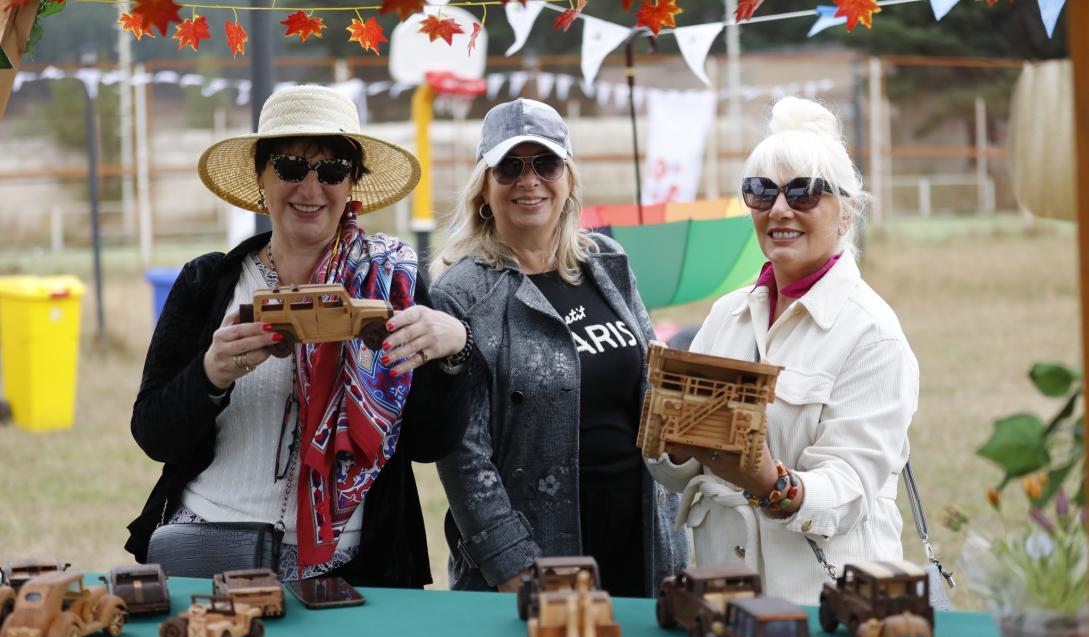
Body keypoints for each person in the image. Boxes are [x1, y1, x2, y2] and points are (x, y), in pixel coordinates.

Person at [127, 85, 474, 586]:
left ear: (351, 182)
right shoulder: (208, 283)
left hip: (351, 563)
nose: (310, 190)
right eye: (291, 167)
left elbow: (428, 443)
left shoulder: (392, 284)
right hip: (209, 550)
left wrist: (453, 354)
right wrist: (210, 375)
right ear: (261, 177)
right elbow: (153, 434)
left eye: (332, 171)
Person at [648, 96, 919, 605]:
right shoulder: (725, 315)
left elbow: (851, 489)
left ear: (847, 214)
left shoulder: (873, 334)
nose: (779, 209)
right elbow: (673, 474)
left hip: (825, 603)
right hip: (721, 595)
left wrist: (770, 481)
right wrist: (672, 442)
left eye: (805, 193)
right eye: (760, 192)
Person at [428, 98, 688, 597]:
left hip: (642, 539)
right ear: (485, 187)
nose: (529, 181)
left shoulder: (607, 262)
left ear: (567, 178)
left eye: (545, 163)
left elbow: (656, 381)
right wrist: (515, 571)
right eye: (509, 167)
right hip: (540, 560)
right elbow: (464, 457)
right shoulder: (462, 293)